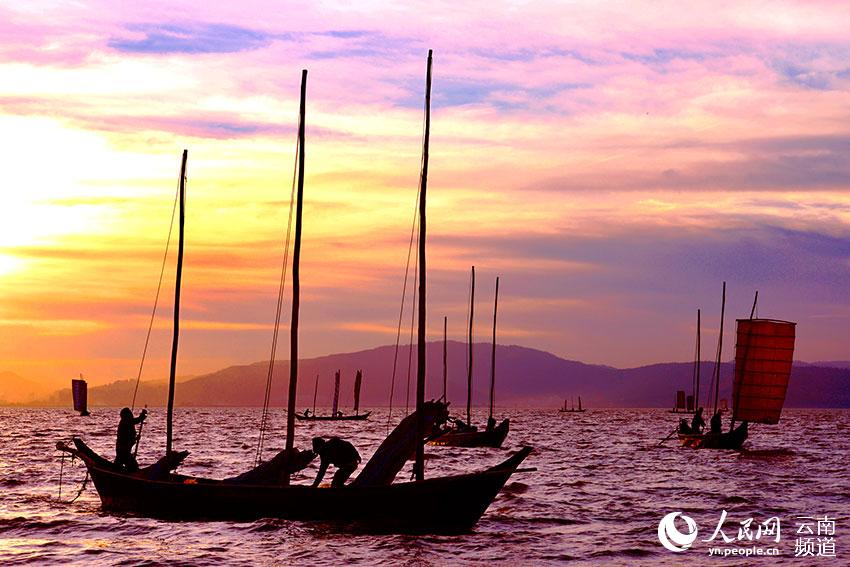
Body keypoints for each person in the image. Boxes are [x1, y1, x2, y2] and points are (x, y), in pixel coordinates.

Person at [115, 407, 147, 471]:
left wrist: (135, 438)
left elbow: (128, 436)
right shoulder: (125, 422)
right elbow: (136, 420)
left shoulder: (127, 422)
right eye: (129, 414)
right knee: (133, 466)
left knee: (120, 465)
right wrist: (142, 416)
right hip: (123, 451)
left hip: (124, 450)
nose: (131, 415)